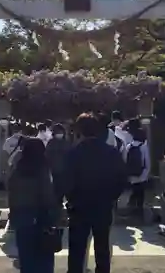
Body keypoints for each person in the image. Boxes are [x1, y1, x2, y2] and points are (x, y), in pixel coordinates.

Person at [63, 113, 127, 273]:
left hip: (78, 207)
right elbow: (121, 179)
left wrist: (70, 199)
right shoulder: (111, 152)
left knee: (77, 249)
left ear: (79, 131)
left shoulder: (73, 153)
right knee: (102, 247)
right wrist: (112, 197)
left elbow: (65, 180)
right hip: (103, 205)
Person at [8, 137, 59, 273]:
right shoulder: (44, 169)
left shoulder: (17, 170)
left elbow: (12, 195)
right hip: (42, 218)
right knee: (44, 257)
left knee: (26, 257)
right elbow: (47, 195)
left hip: (22, 218)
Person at [122, 127, 151, 220]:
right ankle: (139, 214)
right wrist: (145, 175)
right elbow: (147, 162)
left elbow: (124, 161)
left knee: (133, 193)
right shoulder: (143, 147)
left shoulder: (128, 146)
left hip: (131, 176)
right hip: (141, 175)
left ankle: (132, 212)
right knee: (140, 196)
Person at [45, 123, 71, 206]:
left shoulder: (65, 143)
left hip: (63, 172)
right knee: (57, 193)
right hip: (56, 172)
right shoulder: (53, 143)